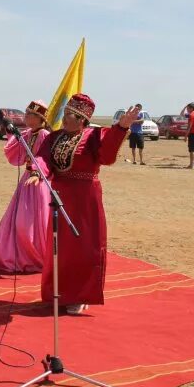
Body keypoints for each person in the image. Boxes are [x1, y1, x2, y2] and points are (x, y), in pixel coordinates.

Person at [33, 94, 138, 316]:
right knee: (61, 246)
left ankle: (81, 295)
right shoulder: (55, 137)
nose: (65, 119)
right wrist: (37, 171)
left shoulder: (93, 135)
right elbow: (43, 158)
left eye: (70, 116)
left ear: (81, 119)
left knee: (84, 246)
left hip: (85, 197)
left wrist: (121, 128)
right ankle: (59, 292)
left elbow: (107, 156)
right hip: (60, 197)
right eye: (65, 115)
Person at [0, 100, 51, 273]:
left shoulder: (44, 135)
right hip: (26, 181)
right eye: (26, 113)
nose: (26, 116)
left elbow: (46, 158)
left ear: (40, 118)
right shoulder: (29, 133)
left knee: (32, 223)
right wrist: (11, 133)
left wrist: (38, 172)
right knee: (18, 220)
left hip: (39, 181)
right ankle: (20, 255)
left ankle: (38, 256)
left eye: (30, 114)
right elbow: (18, 152)